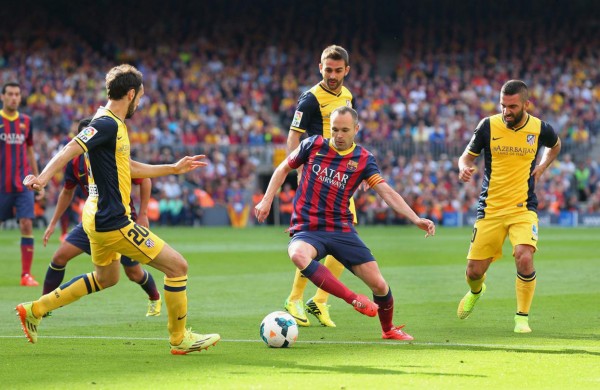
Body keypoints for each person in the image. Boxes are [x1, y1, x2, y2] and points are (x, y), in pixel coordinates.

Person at [16, 64, 220, 354]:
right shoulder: (107, 124)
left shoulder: (112, 123)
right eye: (140, 97)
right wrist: (43, 178)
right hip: (113, 221)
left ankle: (35, 309)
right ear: (131, 93)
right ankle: (179, 338)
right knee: (178, 267)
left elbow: (129, 166)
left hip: (95, 216)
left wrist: (173, 168)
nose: (140, 103)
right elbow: (69, 149)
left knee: (106, 278)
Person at [255, 106, 436, 340]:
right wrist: (266, 199)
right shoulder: (313, 145)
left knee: (379, 285)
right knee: (298, 255)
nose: (338, 135)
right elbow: (283, 168)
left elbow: (386, 191)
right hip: (309, 228)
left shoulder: (363, 159)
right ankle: (353, 299)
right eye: (335, 129)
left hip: (341, 229)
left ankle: (389, 329)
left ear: (356, 129)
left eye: (344, 130)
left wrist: (415, 218)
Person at [457, 80, 561, 333]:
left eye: (512, 106)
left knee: (524, 256)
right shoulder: (487, 126)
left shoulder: (539, 128)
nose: (506, 111)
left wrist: (543, 167)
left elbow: (556, 145)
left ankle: (521, 318)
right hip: (490, 209)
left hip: (523, 207)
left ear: (526, 104)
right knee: (473, 271)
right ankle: (476, 290)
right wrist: (463, 168)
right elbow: (466, 156)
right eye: (503, 105)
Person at [41, 118, 162, 317]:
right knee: (59, 257)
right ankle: (42, 306)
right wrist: (53, 223)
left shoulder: (113, 158)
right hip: (93, 221)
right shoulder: (74, 163)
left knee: (133, 273)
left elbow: (144, 179)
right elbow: (66, 192)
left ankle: (154, 297)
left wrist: (143, 215)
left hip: (122, 221)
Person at [284, 44, 356, 328]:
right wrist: (299, 169)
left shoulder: (348, 96)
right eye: (328, 69)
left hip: (341, 179)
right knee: (317, 241)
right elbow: (294, 136)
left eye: (338, 70)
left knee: (344, 239)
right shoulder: (310, 99)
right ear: (320, 68)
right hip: (318, 178)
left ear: (346, 70)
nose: (333, 75)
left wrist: (357, 171)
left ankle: (319, 301)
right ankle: (294, 299)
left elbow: (349, 133)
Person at [0, 82, 43, 286]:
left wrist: (38, 179)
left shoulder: (27, 121)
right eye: (10, 94)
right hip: (1, 185)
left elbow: (30, 151)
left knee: (26, 224)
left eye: (17, 94)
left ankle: (26, 275)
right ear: (3, 97)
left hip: (23, 183)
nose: (14, 98)